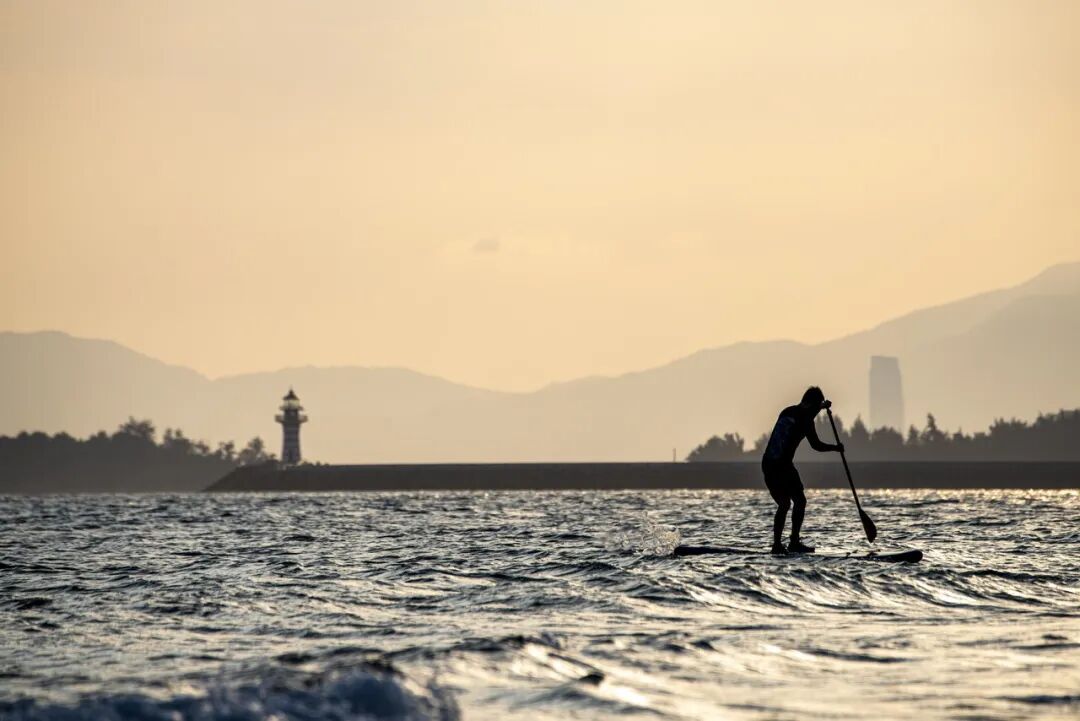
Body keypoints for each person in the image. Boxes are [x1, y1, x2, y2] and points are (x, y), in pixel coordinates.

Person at [762, 386, 844, 555]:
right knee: (792, 502)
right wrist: (836, 448)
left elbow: (806, 410)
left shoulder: (788, 411)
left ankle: (785, 544)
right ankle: (785, 544)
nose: (816, 414)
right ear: (810, 405)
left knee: (790, 502)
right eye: (815, 409)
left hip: (770, 463)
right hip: (779, 466)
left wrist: (821, 406)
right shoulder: (806, 419)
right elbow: (816, 445)